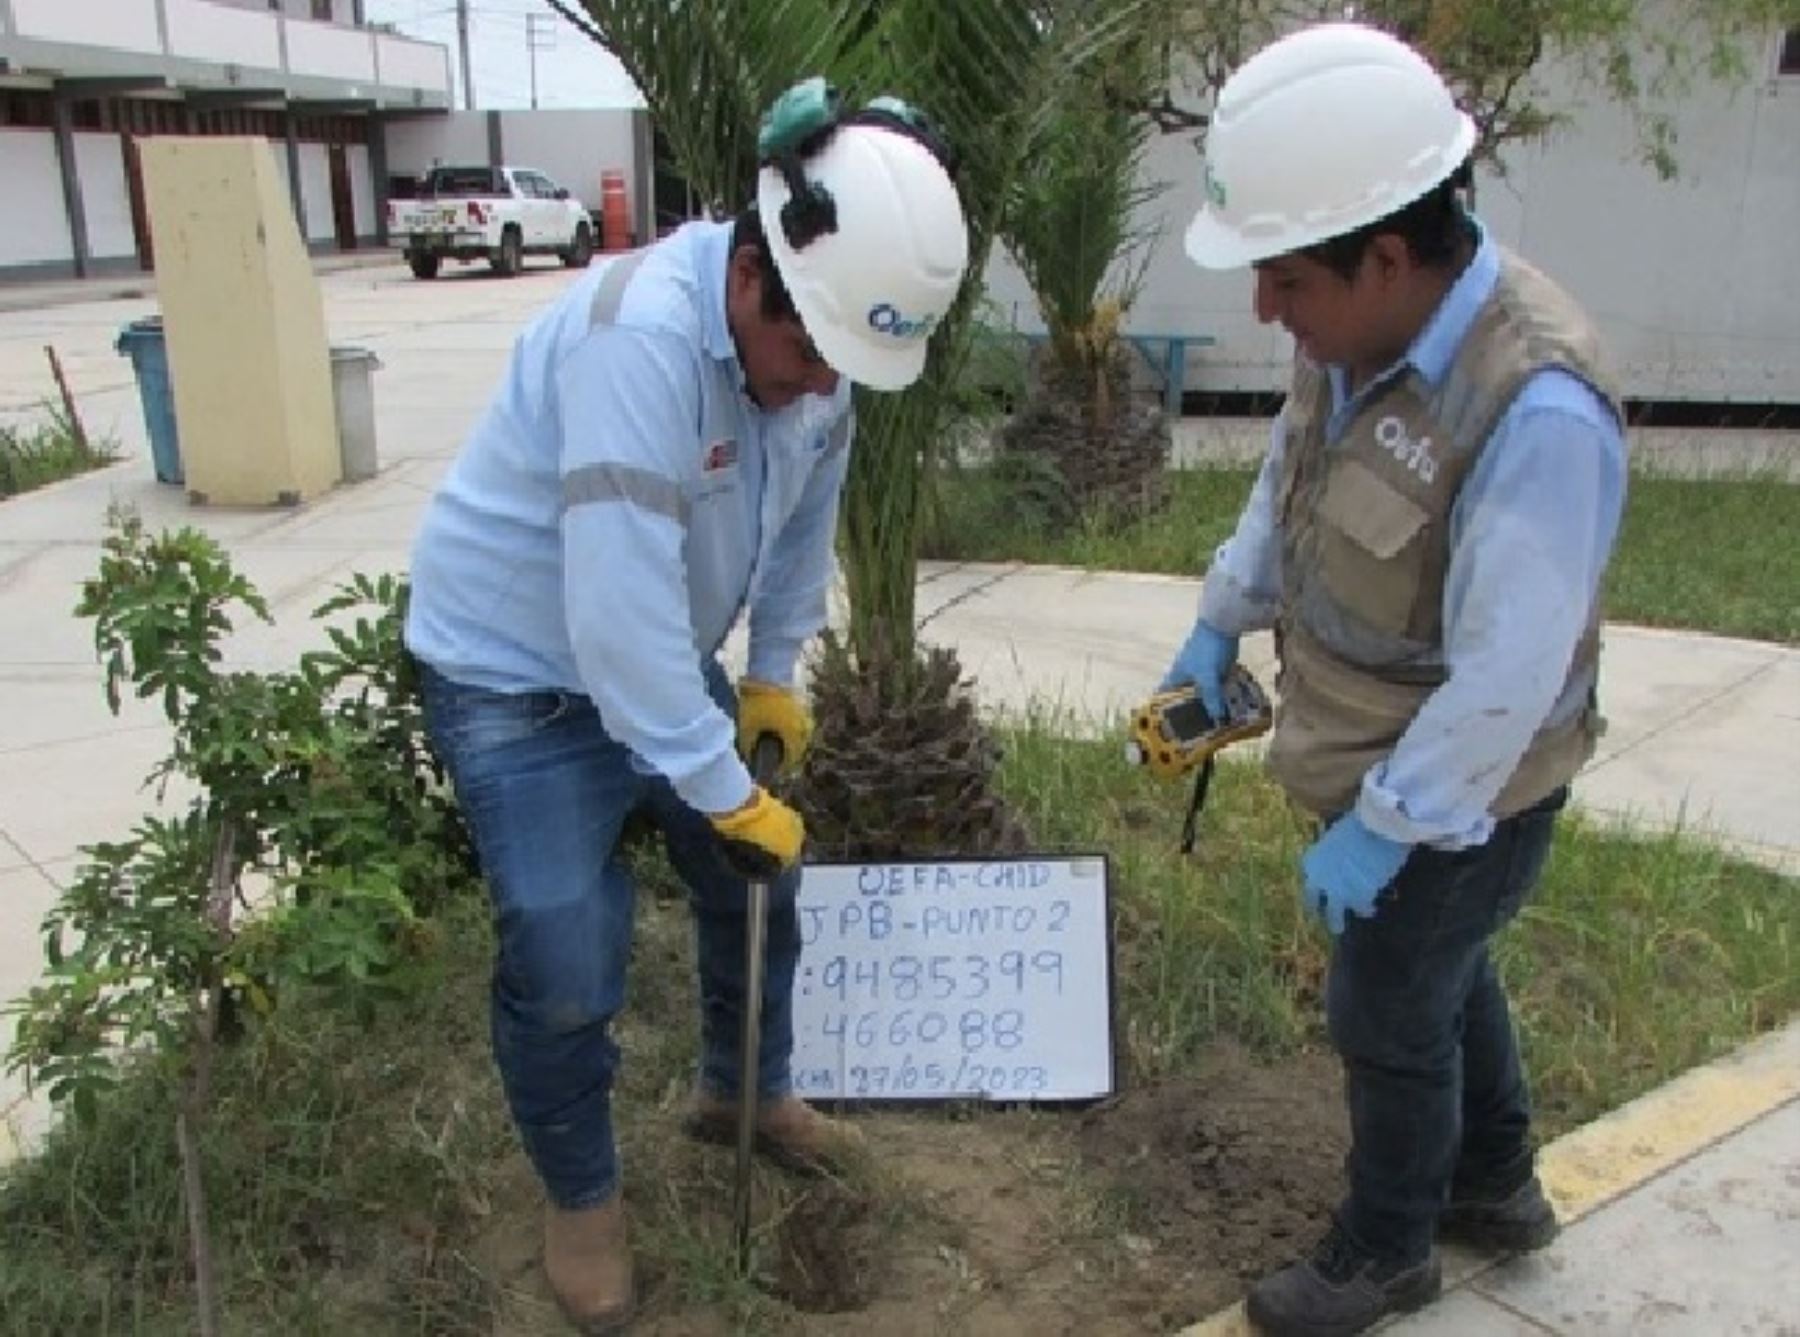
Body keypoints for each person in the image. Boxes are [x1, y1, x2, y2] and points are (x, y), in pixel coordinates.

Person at [403, 80, 968, 1332]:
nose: (822, 383)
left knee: (753, 879)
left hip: (656, 647)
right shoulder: (639, 343)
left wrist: (771, 668)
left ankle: (743, 1091)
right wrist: (722, 782)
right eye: (810, 352)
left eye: (844, 364)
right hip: (515, 669)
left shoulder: (821, 354)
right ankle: (582, 1200)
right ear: (756, 272)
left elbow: (799, 524)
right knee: (565, 948)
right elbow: (612, 620)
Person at [1162, 23, 1627, 1337]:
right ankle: (1497, 1182)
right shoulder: (1350, 336)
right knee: (1444, 972)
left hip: (1471, 781)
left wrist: (1385, 828)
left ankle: (1387, 1249)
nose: (1267, 309)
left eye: (1285, 279)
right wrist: (1218, 622)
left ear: (1386, 254)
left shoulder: (1534, 408)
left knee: (1387, 1000)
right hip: (1376, 754)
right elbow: (1286, 486)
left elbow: (1507, 684)